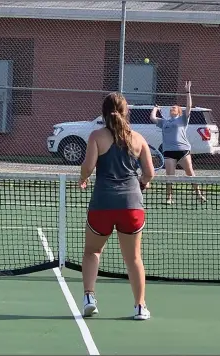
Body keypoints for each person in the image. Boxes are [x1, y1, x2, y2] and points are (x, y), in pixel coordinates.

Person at [78, 92, 155, 320]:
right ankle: (140, 307)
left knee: (92, 251)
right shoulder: (139, 139)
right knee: (133, 259)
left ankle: (89, 297)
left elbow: (87, 168)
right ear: (126, 112)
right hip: (131, 205)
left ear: (104, 112)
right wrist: (141, 184)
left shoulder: (96, 137)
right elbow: (149, 173)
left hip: (102, 203)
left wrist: (82, 179)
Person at [150, 81, 206, 204]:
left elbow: (189, 106)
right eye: (171, 108)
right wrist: (155, 109)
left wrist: (188, 91)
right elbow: (152, 118)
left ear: (179, 111)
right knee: (170, 176)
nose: (172, 109)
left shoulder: (182, 119)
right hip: (169, 152)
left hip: (183, 150)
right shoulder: (164, 122)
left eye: (174, 108)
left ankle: (199, 194)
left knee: (190, 173)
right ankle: (169, 198)